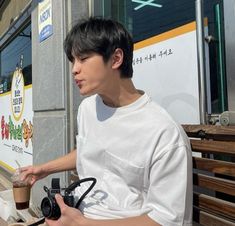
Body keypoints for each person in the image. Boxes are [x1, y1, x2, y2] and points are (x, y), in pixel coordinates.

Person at [21, 17, 192, 226]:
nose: (74, 69)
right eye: (73, 60)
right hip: (78, 212)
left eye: (83, 58)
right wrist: (44, 169)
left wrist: (82, 224)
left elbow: (167, 220)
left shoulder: (163, 133)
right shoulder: (87, 109)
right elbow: (90, 150)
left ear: (116, 58)